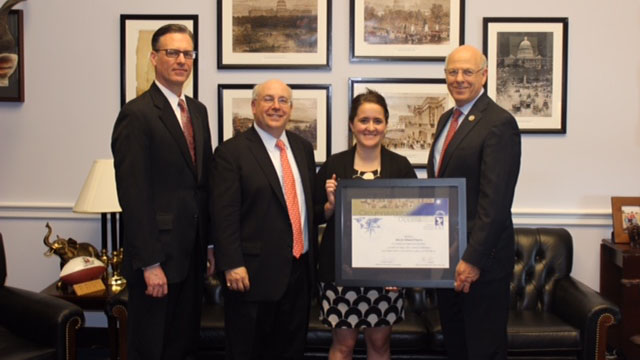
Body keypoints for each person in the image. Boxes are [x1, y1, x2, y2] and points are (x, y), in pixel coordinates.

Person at [111, 24, 215, 360]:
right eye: (173, 52)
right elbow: (134, 195)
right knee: (152, 348)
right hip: (158, 259)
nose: (182, 60)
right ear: (154, 58)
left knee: (182, 347)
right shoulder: (137, 115)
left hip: (193, 255)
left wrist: (210, 244)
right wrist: (150, 262)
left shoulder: (197, 111)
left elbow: (205, 184)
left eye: (188, 53)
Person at [426, 45, 521, 360]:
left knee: (482, 349)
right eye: (452, 72)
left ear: (484, 74)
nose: (459, 78)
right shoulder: (445, 120)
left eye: (467, 71)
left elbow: (494, 203)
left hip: (480, 263)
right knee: (457, 345)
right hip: (448, 258)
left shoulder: (498, 123)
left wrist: (473, 259)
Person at [212, 79, 317, 359]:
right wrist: (232, 263)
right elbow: (223, 214)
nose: (276, 106)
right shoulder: (231, 153)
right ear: (254, 106)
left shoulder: (302, 148)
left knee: (291, 350)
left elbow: (305, 207)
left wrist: (329, 207)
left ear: (291, 108)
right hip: (251, 276)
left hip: (298, 273)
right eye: (268, 99)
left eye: (283, 101)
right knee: (249, 352)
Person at [316, 89, 417, 359]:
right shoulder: (334, 165)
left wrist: (402, 271)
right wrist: (329, 206)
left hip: (386, 275)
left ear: (386, 124)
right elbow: (314, 215)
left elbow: (415, 222)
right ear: (352, 124)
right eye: (363, 120)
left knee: (380, 346)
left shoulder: (401, 166)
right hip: (339, 272)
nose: (370, 127)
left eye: (377, 121)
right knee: (343, 346)